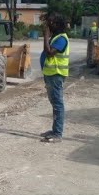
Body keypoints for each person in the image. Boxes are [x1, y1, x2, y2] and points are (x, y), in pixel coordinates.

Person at [41, 12, 69, 143]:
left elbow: (50, 53)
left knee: (58, 104)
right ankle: (54, 130)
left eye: (50, 23)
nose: (48, 25)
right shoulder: (56, 37)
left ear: (57, 24)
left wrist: (45, 37)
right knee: (54, 103)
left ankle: (58, 133)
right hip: (51, 74)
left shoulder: (62, 39)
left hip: (56, 75)